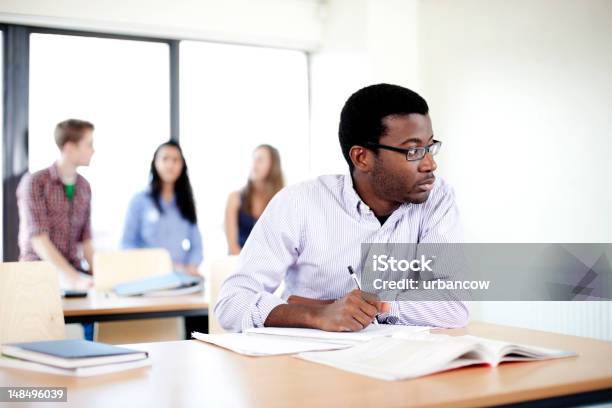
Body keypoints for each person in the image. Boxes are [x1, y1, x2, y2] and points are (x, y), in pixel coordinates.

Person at [215, 84, 469, 332]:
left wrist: (369, 306)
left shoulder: (438, 199)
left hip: (398, 365)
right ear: (361, 157)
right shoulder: (299, 203)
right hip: (309, 367)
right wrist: (316, 315)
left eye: (430, 147)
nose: (430, 164)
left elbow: (455, 304)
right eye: (413, 150)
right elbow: (231, 304)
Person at [17, 119, 95, 291]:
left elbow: (86, 239)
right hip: (38, 273)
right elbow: (39, 240)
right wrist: (74, 279)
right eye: (88, 144)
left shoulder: (84, 186)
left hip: (73, 270)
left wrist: (98, 275)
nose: (93, 150)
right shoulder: (35, 182)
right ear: (70, 147)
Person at [121, 140, 203, 277]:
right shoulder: (139, 201)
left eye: (175, 160)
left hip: (180, 277)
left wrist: (190, 267)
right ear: (155, 163)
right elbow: (126, 244)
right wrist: (154, 265)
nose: (170, 165)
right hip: (147, 276)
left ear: (182, 165)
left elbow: (197, 247)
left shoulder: (186, 203)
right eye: (165, 159)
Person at [224, 144, 284, 255]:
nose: (254, 164)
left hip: (270, 266)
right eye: (253, 159)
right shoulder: (235, 199)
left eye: (259, 160)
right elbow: (232, 247)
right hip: (239, 262)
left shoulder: (282, 202)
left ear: (273, 166)